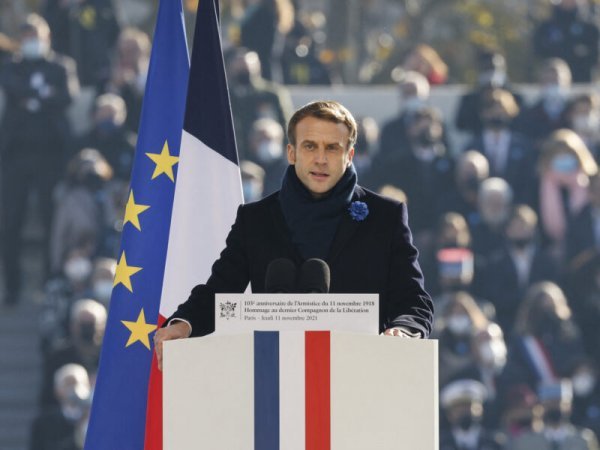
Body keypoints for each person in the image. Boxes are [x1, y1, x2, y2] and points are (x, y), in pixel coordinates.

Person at [154, 100, 434, 368]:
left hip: (362, 377)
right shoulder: (256, 219)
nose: (321, 159)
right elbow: (220, 290)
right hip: (272, 380)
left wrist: (404, 329)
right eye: (310, 146)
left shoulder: (385, 217)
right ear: (291, 152)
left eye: (332, 148)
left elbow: (413, 300)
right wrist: (184, 323)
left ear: (349, 156)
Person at [0, 14, 79, 305]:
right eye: (26, 36)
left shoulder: (61, 66)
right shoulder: (11, 66)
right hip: (16, 156)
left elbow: (67, 97)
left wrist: (33, 98)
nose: (31, 41)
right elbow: (11, 86)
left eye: (36, 35)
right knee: (11, 224)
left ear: (46, 38)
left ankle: (49, 284)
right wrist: (44, 93)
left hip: (50, 156)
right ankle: (12, 288)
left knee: (51, 221)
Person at [533, 0, 599, 83]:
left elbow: (594, 57)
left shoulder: (590, 29)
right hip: (552, 86)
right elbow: (538, 54)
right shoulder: (545, 28)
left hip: (582, 84)